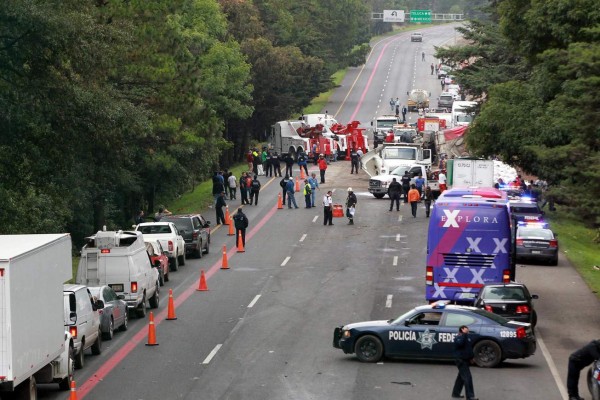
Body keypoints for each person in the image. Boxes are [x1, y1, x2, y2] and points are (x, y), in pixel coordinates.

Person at [452, 325, 477, 400]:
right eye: (466, 328)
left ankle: (455, 393)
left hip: (466, 360)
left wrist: (472, 357)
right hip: (461, 360)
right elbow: (460, 344)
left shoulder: (467, 338)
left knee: (461, 378)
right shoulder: (459, 337)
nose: (468, 329)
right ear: (462, 329)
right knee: (467, 378)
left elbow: (468, 349)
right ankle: (470, 396)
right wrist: (464, 334)